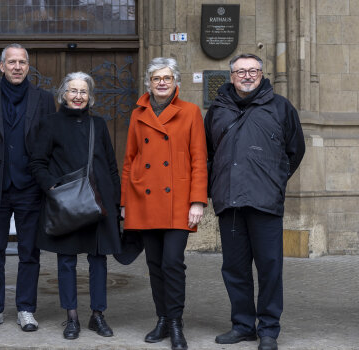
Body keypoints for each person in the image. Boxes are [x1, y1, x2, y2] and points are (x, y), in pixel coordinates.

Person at [205, 53, 305, 350]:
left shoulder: (280, 107)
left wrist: (275, 182)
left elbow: (295, 150)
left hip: (265, 202)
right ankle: (243, 325)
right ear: (231, 76)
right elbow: (207, 152)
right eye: (240, 71)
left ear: (262, 74)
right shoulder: (218, 109)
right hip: (230, 203)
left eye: (253, 71)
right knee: (234, 268)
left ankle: (269, 330)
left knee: (269, 267)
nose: (247, 76)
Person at [0, 43, 56, 332]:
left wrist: (48, 183)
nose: (17, 67)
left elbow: (50, 145)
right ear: (1, 66)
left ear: (28, 67)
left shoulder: (43, 100)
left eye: (22, 62)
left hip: (30, 187)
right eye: (12, 62)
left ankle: (26, 309)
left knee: (30, 251)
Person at [120, 57, 207, 350]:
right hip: (144, 198)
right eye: (156, 78)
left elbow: (199, 160)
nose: (161, 83)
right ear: (149, 83)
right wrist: (125, 201)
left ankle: (175, 322)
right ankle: (161, 318)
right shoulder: (138, 113)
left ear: (176, 82)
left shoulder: (191, 112)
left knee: (172, 263)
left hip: (178, 202)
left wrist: (198, 201)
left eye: (166, 78)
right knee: (154, 264)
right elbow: (130, 160)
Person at [29, 72, 122, 340]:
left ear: (90, 96)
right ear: (63, 95)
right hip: (67, 203)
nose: (78, 96)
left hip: (98, 202)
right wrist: (53, 188)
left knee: (98, 260)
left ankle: (97, 315)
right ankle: (71, 317)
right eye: (73, 91)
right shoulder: (50, 123)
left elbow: (111, 166)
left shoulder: (99, 125)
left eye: (84, 92)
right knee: (67, 261)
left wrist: (116, 202)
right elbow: (37, 163)